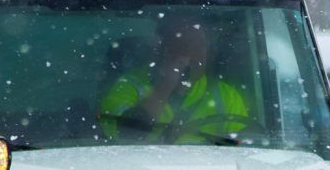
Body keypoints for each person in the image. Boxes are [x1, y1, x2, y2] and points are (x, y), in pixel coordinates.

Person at [100, 15, 251, 144]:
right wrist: (165, 85)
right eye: (182, 46)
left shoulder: (225, 95)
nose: (192, 54)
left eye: (199, 46)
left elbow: (241, 148)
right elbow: (126, 135)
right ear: (160, 50)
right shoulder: (130, 85)